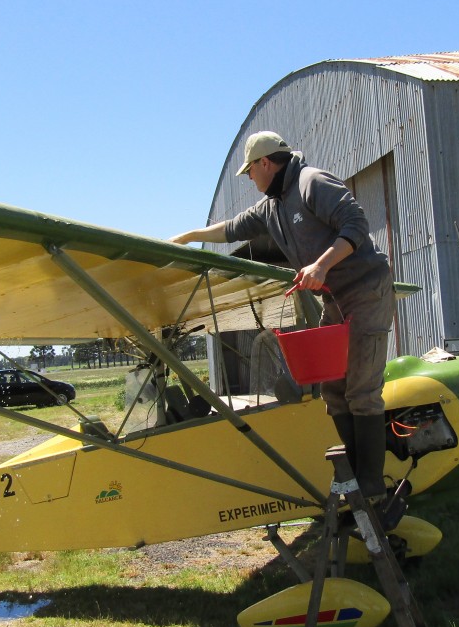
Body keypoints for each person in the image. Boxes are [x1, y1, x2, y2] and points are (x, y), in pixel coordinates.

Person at [169, 131, 395, 499]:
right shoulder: (271, 206)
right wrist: (188, 236)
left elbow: (355, 225)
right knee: (333, 390)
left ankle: (371, 487)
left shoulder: (312, 182)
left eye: (250, 172)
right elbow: (230, 229)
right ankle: (354, 471)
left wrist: (320, 266)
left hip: (366, 289)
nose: (250, 179)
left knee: (361, 389)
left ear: (265, 163)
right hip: (336, 299)